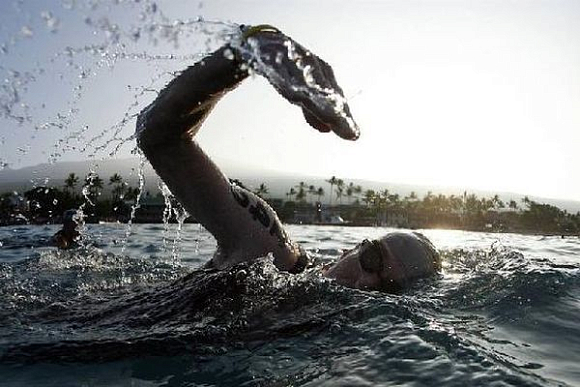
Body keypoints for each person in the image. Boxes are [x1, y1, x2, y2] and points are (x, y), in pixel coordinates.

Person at [136, 24, 440, 292]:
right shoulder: (272, 253)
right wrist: (251, 51)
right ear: (352, 249)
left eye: (390, 288)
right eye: (372, 260)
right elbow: (160, 137)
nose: (366, 283)